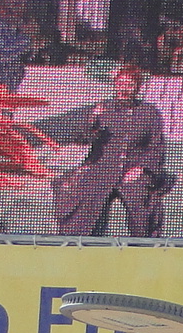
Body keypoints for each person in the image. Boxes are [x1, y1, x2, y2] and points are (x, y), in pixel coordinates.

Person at [53, 65, 170, 237]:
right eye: (120, 84)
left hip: (134, 168)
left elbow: (156, 147)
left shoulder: (150, 113)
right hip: (103, 167)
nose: (124, 89)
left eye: (129, 85)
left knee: (141, 199)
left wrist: (142, 168)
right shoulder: (103, 109)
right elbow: (84, 138)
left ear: (138, 87)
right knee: (82, 194)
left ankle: (143, 244)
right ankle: (80, 241)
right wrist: (92, 121)